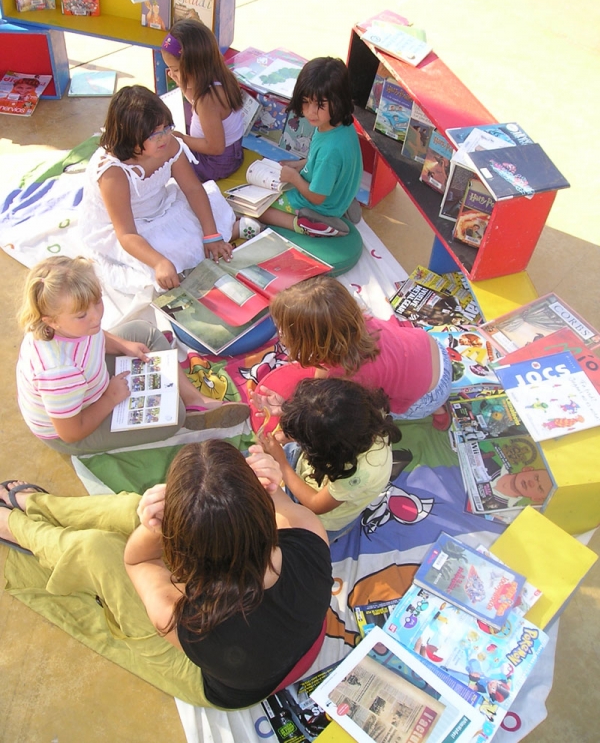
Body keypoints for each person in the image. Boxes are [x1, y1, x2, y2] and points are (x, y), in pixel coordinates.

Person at [0, 440, 333, 707]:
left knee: (97, 552)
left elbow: (137, 562)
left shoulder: (187, 619)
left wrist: (154, 525)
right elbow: (273, 507)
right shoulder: (309, 533)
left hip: (223, 682)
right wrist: (269, 486)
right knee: (133, 508)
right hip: (291, 643)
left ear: (181, 553)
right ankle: (38, 506)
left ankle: (16, 527)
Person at [15, 256, 249, 455]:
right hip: (73, 429)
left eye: (97, 303)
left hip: (88, 382)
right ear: (51, 321)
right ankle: (183, 410)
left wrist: (123, 344)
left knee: (142, 332)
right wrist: (109, 398)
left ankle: (195, 400)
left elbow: (92, 336)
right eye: (81, 315)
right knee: (172, 417)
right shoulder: (58, 371)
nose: (96, 317)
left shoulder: (71, 325)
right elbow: (71, 431)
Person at [78, 84, 240, 296]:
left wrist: (211, 234)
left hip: (162, 204)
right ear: (130, 137)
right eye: (154, 135)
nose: (164, 137)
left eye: (166, 128)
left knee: (206, 221)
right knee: (163, 261)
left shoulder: (169, 144)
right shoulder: (113, 173)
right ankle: (229, 233)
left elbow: (192, 188)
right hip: (127, 227)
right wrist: (159, 262)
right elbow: (126, 233)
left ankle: (228, 232)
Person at [257, 276, 453, 430]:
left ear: (310, 341)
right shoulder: (358, 321)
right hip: (437, 352)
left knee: (374, 412)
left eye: (285, 331)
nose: (280, 335)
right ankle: (440, 408)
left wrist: (287, 409)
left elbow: (323, 408)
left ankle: (435, 408)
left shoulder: (346, 375)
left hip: (427, 397)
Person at [260, 379, 401, 539]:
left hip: (322, 519)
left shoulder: (359, 472)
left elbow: (315, 504)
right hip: (311, 470)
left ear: (324, 449)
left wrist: (282, 463)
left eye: (303, 440)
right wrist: (291, 413)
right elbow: (324, 420)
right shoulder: (360, 414)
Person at [242, 57, 363, 238]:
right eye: (306, 102)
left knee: (258, 209)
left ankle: (306, 224)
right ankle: (343, 202)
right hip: (338, 192)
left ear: (337, 101)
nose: (310, 112)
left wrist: (295, 178)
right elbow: (324, 161)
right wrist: (300, 164)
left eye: (319, 105)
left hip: (319, 204)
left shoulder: (330, 151)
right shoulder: (342, 126)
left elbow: (316, 196)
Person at [160, 20, 245, 183]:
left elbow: (215, 147)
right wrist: (181, 83)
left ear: (196, 67)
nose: (172, 73)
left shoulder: (208, 100)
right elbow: (197, 103)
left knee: (160, 160)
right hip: (231, 153)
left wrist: (182, 139)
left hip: (214, 162)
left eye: (176, 70)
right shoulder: (220, 76)